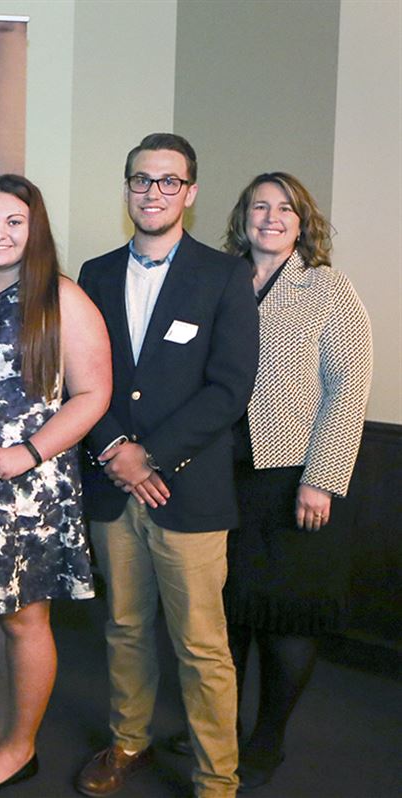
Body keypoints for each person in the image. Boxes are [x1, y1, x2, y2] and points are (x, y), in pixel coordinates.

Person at [74, 133, 259, 798]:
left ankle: (217, 779)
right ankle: (129, 740)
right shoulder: (94, 274)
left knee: (201, 645)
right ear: (127, 188)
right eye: (141, 180)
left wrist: (147, 455)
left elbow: (229, 388)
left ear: (191, 192)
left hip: (189, 490)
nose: (153, 192)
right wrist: (113, 451)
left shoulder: (224, 275)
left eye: (168, 181)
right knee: (125, 628)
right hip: (111, 488)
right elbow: (78, 376)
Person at [0, 175, 112, 795]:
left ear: (34, 229)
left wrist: (29, 452)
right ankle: (3, 729)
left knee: (24, 619)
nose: (0, 233)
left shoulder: (62, 297)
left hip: (31, 487)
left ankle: (21, 746)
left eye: (14, 221)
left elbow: (93, 394)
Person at [216, 172, 372, 789]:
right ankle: (220, 730)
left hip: (293, 478)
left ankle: (267, 740)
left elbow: (348, 388)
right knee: (226, 617)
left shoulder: (327, 287)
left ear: (302, 222)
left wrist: (321, 478)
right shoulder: (221, 281)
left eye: (285, 208)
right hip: (222, 476)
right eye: (260, 206)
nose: (271, 217)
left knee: (286, 620)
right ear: (243, 218)